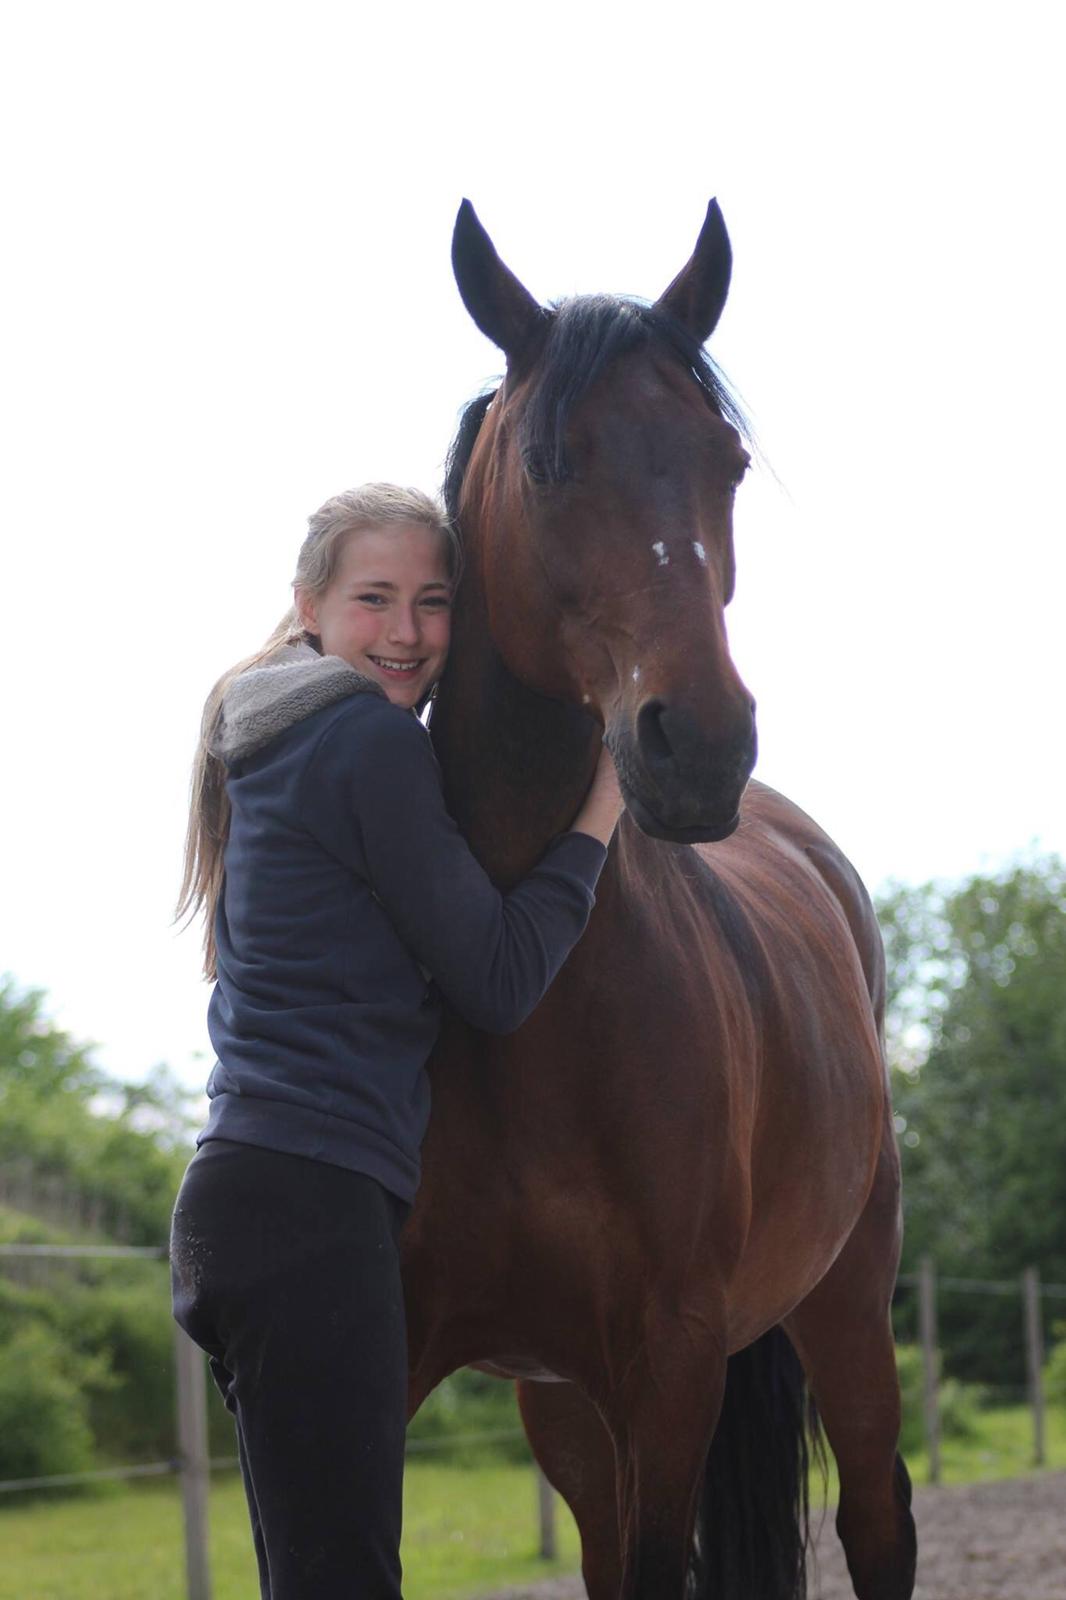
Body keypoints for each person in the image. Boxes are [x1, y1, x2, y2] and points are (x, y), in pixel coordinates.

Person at [170, 483, 622, 1599]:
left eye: (433, 601)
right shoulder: (364, 741)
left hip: (248, 1202)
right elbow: (503, 978)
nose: (410, 633)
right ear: (311, 606)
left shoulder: (268, 733)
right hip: (310, 1213)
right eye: (375, 599)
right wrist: (603, 807)